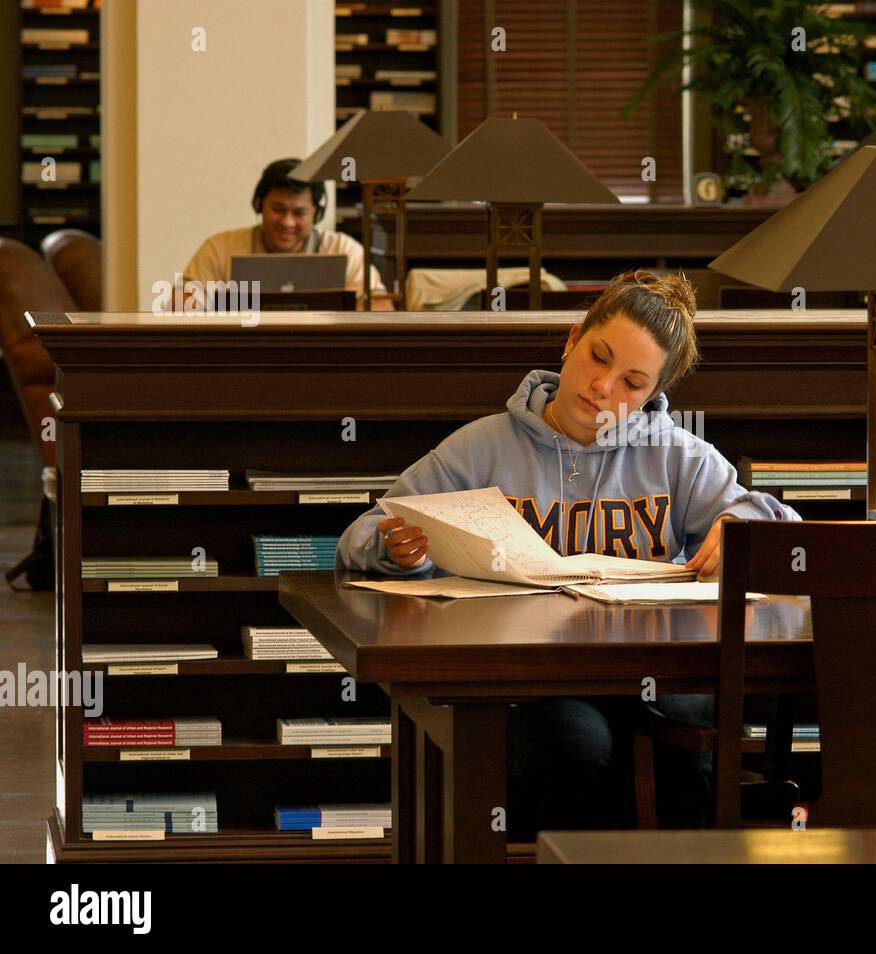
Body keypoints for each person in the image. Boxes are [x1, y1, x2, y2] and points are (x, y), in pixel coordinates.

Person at [336, 269, 801, 833]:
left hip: (653, 674)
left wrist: (739, 522)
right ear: (572, 338)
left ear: (654, 395)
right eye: (598, 356)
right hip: (533, 684)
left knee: (689, 737)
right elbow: (362, 535)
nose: (604, 387)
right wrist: (400, 552)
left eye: (633, 382)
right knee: (577, 747)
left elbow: (783, 527)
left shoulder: (679, 456)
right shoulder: (482, 447)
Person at [182, 158, 385, 305]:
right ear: (260, 205)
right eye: (278, 210)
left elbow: (381, 309)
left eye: (299, 213)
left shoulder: (344, 250)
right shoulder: (220, 249)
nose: (287, 223)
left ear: (317, 213)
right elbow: (178, 307)